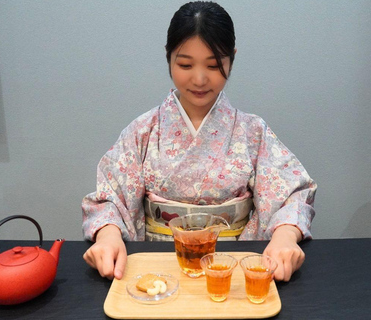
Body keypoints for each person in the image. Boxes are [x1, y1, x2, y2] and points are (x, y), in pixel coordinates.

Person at [82, 1, 317, 282]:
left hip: (230, 268)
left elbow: (293, 195)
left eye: (214, 64)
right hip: (159, 268)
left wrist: (285, 236)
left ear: (232, 58)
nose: (200, 78)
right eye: (185, 64)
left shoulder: (252, 132)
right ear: (168, 58)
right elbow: (110, 198)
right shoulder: (143, 131)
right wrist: (107, 236)